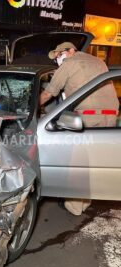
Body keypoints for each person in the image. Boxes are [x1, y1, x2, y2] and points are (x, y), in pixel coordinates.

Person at [40, 42, 119, 216]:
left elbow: (48, 93)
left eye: (59, 54)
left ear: (70, 51)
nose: (58, 59)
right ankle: (87, 200)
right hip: (111, 114)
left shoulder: (69, 63)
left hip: (88, 116)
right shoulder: (99, 61)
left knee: (79, 162)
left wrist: (30, 107)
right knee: (97, 162)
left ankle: (75, 206)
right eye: (56, 57)